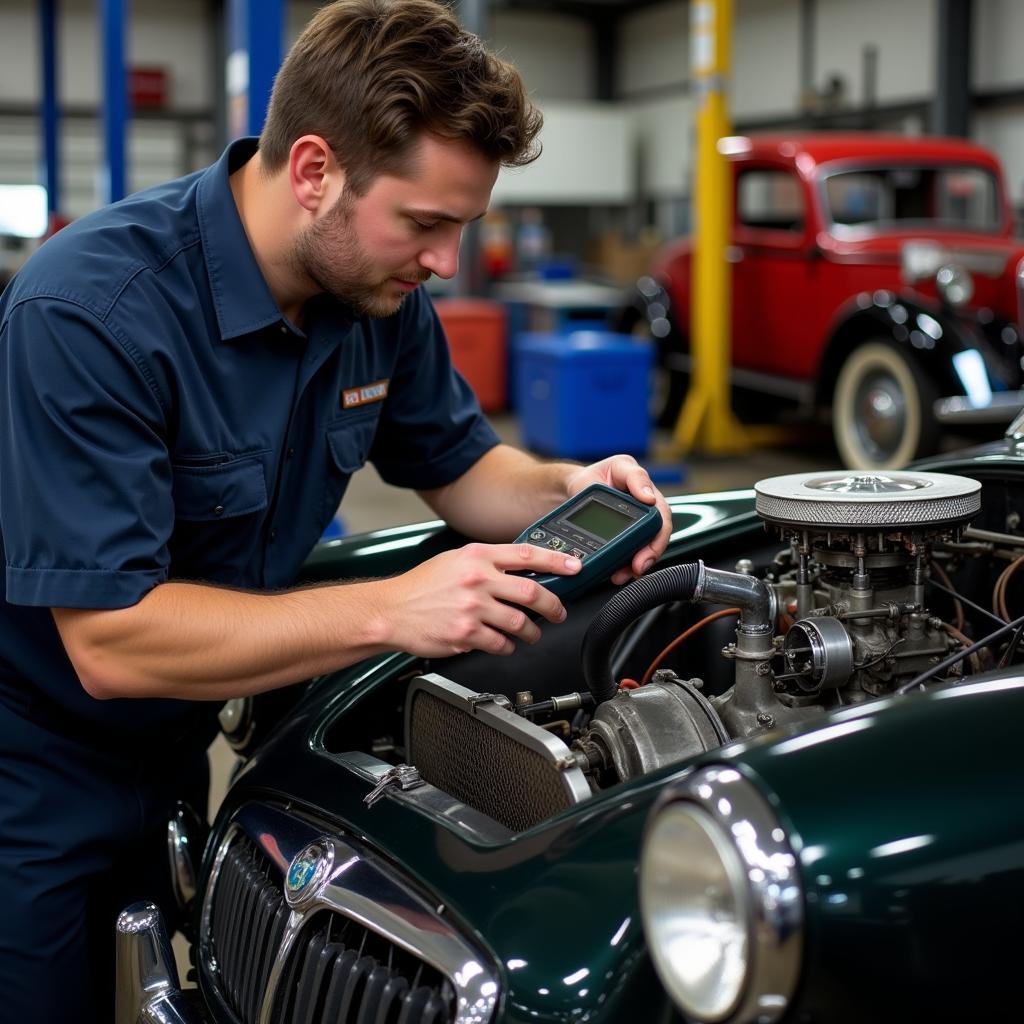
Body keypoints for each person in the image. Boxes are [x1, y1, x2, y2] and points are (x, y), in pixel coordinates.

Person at [0, 1, 671, 1019]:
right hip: (34, 768)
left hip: (180, 750)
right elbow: (111, 640)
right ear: (313, 170)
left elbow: (463, 467)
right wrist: (391, 608)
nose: (445, 261)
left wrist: (569, 488)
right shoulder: (91, 313)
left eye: (463, 227)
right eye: (424, 222)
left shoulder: (377, 298)